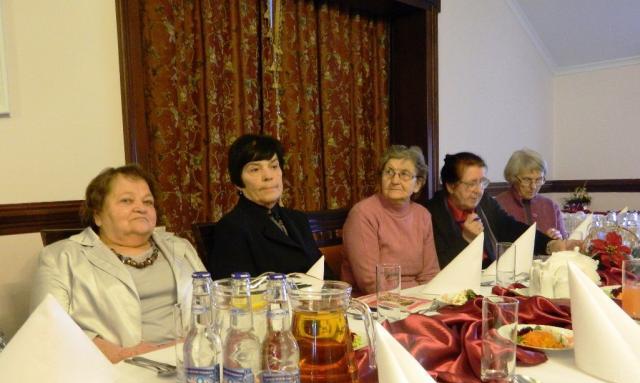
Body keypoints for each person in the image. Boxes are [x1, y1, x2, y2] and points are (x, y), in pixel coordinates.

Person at [31, 165, 204, 363]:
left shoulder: (180, 247)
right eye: (126, 200)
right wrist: (125, 355)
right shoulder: (60, 257)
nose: (141, 208)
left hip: (194, 361)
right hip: (115, 368)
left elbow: (213, 304)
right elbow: (47, 327)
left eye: (148, 202)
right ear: (97, 215)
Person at [423, 152, 581, 269]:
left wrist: (551, 244)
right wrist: (466, 240)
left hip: (489, 281)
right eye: (471, 184)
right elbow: (440, 267)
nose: (478, 190)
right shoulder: (431, 214)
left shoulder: (484, 202)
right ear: (451, 186)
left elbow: (510, 228)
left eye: (482, 182)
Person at [208, 134, 329, 279]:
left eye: (274, 166)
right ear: (238, 182)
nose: (268, 176)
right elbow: (237, 289)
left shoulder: (298, 219)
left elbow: (325, 275)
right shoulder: (232, 228)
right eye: (255, 169)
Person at [341, 145, 440, 294]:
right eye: (389, 172)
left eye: (404, 174)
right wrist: (411, 299)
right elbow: (370, 282)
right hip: (372, 301)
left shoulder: (423, 215)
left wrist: (426, 299)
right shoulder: (362, 214)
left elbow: (430, 274)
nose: (395, 180)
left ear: (418, 184)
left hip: (417, 299)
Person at [495, 149, 566, 239]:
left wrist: (558, 241)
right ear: (513, 178)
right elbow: (495, 244)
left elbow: (564, 243)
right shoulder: (498, 205)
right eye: (527, 180)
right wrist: (543, 242)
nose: (533, 186)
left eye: (538, 180)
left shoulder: (551, 206)